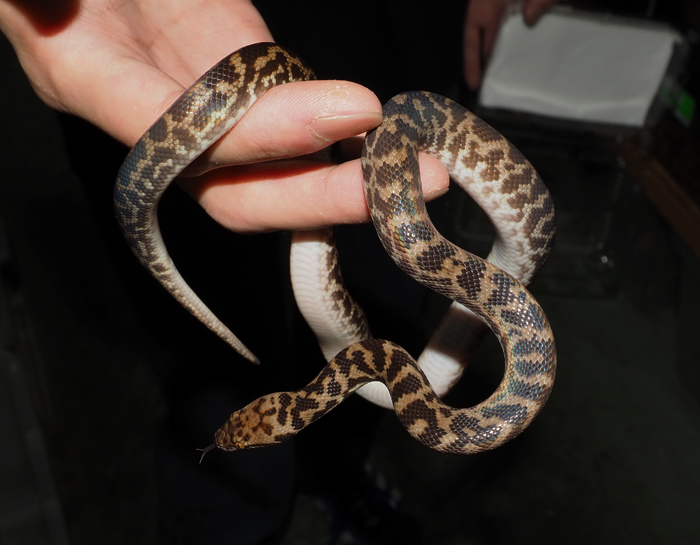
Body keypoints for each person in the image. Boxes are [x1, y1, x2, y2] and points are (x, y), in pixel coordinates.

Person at [0, 1, 557, 543]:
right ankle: (238, 517)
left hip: (401, 36)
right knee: (215, 352)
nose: (234, 437)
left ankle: (335, 481)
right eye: (246, 434)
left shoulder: (392, 387)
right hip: (229, 78)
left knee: (377, 271)